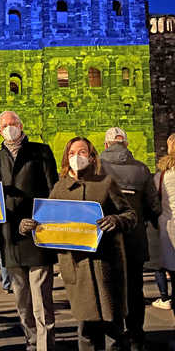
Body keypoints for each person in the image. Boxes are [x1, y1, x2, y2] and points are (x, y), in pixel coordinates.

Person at [21, 137, 135, 351]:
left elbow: (130, 214)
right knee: (85, 330)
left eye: (82, 152)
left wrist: (117, 220)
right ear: (66, 158)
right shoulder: (60, 188)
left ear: (92, 157)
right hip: (77, 267)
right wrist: (28, 227)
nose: (77, 157)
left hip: (106, 266)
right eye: (72, 153)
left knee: (114, 330)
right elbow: (48, 224)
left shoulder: (106, 183)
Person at [0, 111, 58, 351]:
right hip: (10, 236)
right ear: (0, 131)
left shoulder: (41, 151)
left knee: (41, 298)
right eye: (5, 125)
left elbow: (52, 190)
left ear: (21, 125)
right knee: (21, 299)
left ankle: (44, 344)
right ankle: (30, 339)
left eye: (13, 123)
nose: (10, 128)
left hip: (36, 232)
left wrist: (39, 220)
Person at [100, 127, 161, 351]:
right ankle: (136, 337)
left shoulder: (97, 169)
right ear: (126, 144)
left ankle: (114, 339)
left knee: (109, 291)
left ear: (106, 145)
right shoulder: (142, 169)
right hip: (134, 239)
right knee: (135, 291)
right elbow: (154, 206)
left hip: (106, 240)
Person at [153, 133, 175, 314]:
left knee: (163, 266)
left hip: (169, 228)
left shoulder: (161, 177)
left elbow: (154, 203)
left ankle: (165, 297)